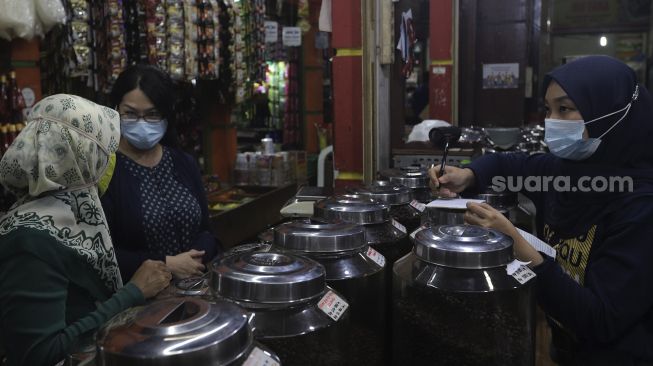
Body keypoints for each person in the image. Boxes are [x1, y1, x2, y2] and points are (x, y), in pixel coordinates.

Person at [430, 55, 653, 364]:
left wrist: (521, 249)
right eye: (548, 110)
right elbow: (506, 163)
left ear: (609, 113)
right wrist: (469, 174)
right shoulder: (564, 170)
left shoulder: (640, 207)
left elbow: (602, 319)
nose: (551, 121)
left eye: (565, 109)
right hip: (568, 347)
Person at [0, 94, 172, 366]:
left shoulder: (70, 212)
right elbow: (39, 355)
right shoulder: (29, 239)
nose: (110, 161)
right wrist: (133, 293)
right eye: (104, 151)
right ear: (77, 156)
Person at [101, 65, 219, 281]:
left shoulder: (183, 162)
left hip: (195, 288)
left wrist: (195, 259)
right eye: (130, 113)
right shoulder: (105, 171)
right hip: (139, 300)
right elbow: (102, 254)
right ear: (115, 110)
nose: (142, 123)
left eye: (152, 114)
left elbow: (206, 230)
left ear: (166, 115)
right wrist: (168, 264)